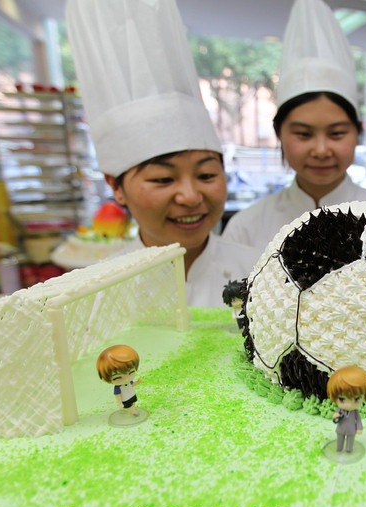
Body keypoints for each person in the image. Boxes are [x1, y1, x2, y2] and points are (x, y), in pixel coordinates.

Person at [66, 0, 260, 308]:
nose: (190, 196)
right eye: (163, 178)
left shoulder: (265, 274)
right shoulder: (89, 295)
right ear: (116, 187)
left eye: (206, 174)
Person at [222, 0, 366, 252]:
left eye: (337, 133)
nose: (321, 150)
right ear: (279, 134)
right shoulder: (245, 228)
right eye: (303, 134)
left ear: (357, 132)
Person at [327, 366, 366, 453]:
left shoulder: (355, 412)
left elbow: (358, 421)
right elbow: (336, 415)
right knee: (340, 439)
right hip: (341, 429)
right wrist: (335, 415)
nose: (349, 405)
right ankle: (339, 448)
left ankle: (349, 449)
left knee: (350, 440)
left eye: (357, 399)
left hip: (351, 430)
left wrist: (359, 428)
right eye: (342, 399)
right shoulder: (340, 410)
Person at [97, 345, 143, 416]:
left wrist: (138, 382)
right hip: (125, 399)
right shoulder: (118, 388)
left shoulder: (129, 382)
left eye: (131, 372)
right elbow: (117, 395)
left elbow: (132, 384)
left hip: (132, 395)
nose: (126, 379)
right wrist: (120, 403)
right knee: (129, 406)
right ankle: (135, 413)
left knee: (133, 403)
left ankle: (133, 409)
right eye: (117, 377)